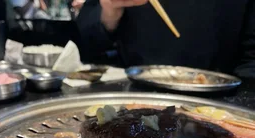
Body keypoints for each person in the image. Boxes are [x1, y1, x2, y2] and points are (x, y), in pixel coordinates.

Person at [76, 0, 255, 77]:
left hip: (221, 101)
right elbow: (85, 43)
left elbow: (251, 61)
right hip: (133, 94)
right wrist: (110, 13)